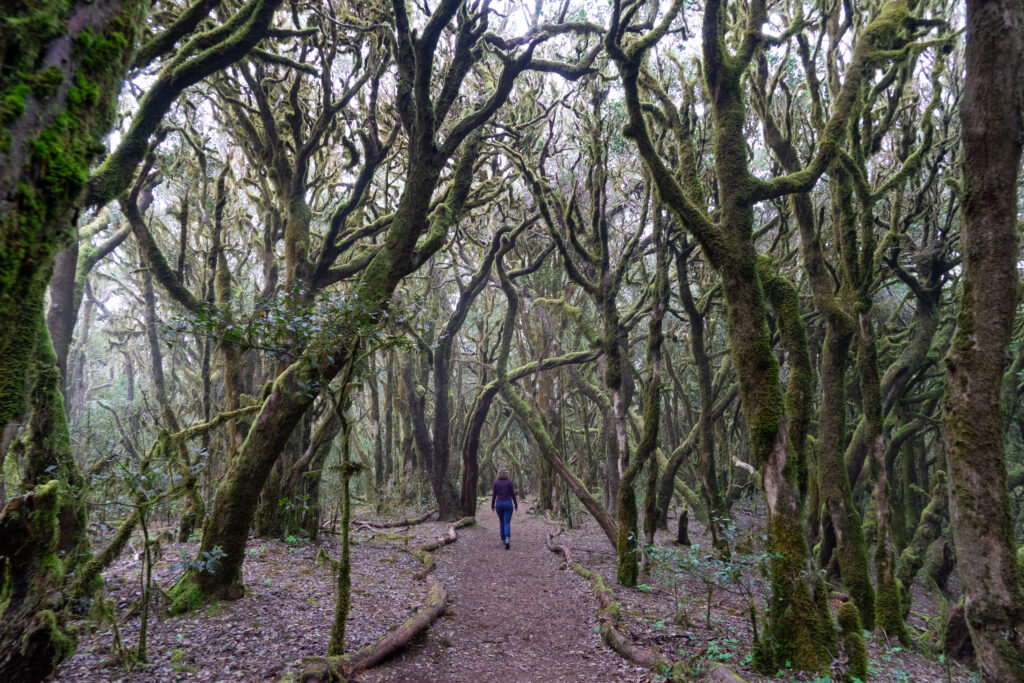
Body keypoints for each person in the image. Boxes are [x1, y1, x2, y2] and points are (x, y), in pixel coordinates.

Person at [491, 467, 518, 549]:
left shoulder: (496, 482)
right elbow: (513, 494)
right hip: (508, 504)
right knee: (507, 522)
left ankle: (503, 539)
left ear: (499, 473)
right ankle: (507, 538)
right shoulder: (509, 482)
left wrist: (492, 506)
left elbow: (494, 495)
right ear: (506, 474)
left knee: (502, 522)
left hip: (499, 504)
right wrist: (516, 505)